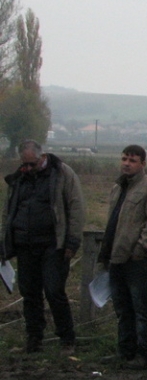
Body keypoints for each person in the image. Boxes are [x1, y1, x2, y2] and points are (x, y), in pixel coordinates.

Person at [1, 139, 85, 354]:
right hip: (24, 245)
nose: (28, 168)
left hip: (53, 245)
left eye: (33, 164)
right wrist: (6, 240)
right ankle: (34, 339)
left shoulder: (63, 174)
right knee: (29, 293)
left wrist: (72, 241)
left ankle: (67, 339)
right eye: (25, 164)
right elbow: (9, 211)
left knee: (54, 291)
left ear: (42, 157)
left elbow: (76, 208)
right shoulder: (19, 178)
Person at [97, 145, 147, 369]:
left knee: (141, 307)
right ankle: (125, 351)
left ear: (143, 164)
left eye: (133, 160)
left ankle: (145, 355)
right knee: (122, 307)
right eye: (124, 158)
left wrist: (141, 248)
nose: (127, 163)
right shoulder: (118, 187)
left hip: (137, 259)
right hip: (116, 255)